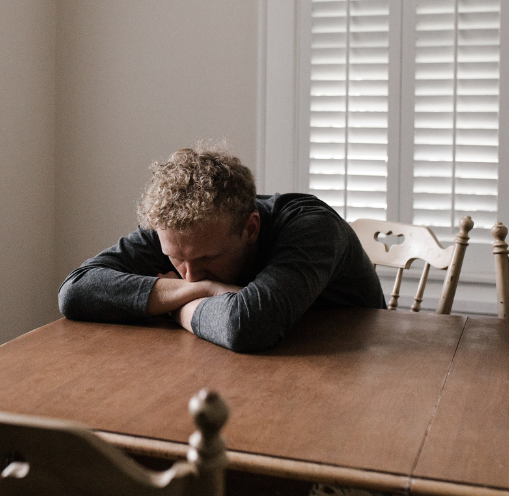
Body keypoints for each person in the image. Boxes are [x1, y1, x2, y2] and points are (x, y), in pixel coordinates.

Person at [58, 143, 385, 352]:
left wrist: (173, 306)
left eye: (208, 260)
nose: (190, 276)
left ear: (251, 228)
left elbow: (247, 325)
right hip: (249, 365)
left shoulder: (312, 226)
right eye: (175, 259)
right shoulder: (179, 230)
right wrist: (207, 290)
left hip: (360, 366)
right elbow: (75, 291)